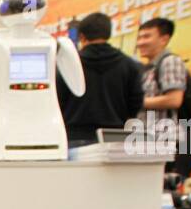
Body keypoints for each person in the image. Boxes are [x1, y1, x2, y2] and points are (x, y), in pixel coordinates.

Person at [57, 12, 144, 146]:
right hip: (115, 137)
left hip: (74, 137)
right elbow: (136, 102)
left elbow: (58, 99)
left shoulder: (67, 64)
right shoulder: (129, 65)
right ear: (108, 34)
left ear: (81, 36)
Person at [136, 16, 191, 177]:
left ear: (164, 39)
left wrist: (137, 103)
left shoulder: (170, 62)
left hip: (167, 142)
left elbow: (174, 99)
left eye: (147, 36)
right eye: (139, 37)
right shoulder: (149, 68)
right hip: (151, 141)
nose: (140, 42)